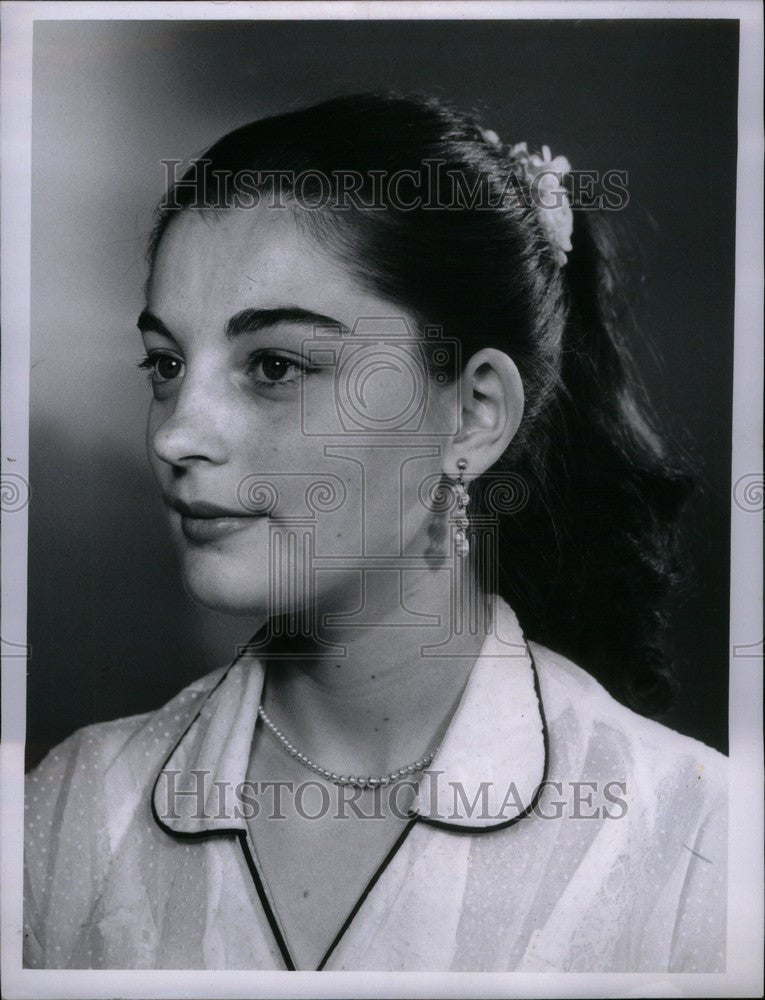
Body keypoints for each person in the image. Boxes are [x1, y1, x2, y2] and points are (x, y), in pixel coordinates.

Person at [24, 93, 726, 972]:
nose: (174, 435)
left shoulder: (700, 843)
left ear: (471, 415)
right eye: (165, 365)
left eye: (274, 365)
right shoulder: (72, 815)